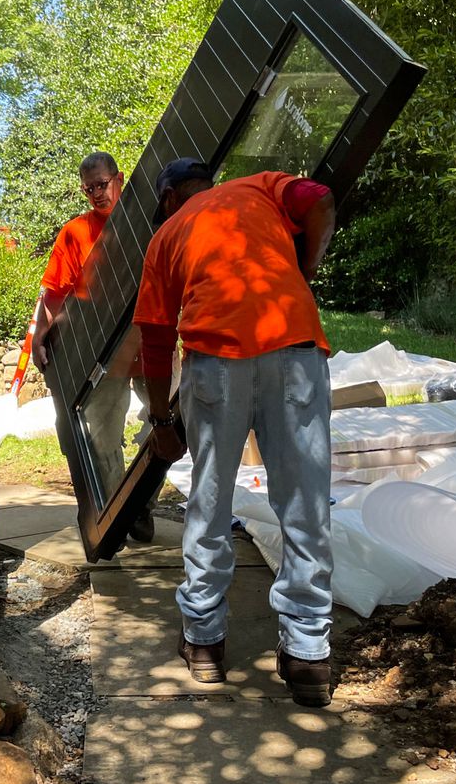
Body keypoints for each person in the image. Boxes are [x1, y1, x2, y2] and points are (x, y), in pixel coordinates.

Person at [134, 158, 338, 707]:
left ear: (171, 197)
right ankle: (307, 655)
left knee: (211, 497)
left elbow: (154, 342)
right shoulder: (262, 188)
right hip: (294, 348)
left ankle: (204, 643)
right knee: (304, 500)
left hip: (215, 362)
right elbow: (320, 200)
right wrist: (306, 269)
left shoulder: (168, 234)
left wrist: (160, 422)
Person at [33, 152, 155, 542]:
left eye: (101, 185)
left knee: (166, 421)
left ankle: (143, 497)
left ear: (118, 178)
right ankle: (124, 507)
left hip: (152, 339)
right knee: (101, 437)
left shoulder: (145, 222)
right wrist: (38, 335)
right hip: (104, 350)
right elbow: (53, 293)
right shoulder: (75, 232)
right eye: (88, 189)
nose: (96, 195)